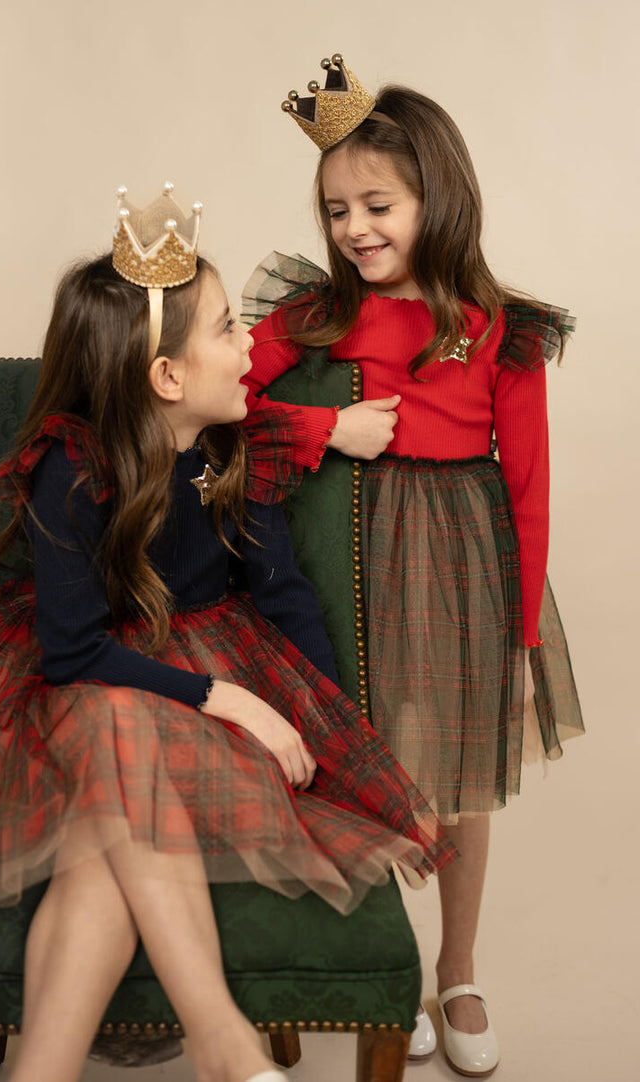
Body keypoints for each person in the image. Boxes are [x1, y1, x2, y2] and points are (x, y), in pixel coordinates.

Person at [0, 184, 455, 1082]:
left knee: (101, 847)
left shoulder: (236, 450)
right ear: (167, 378)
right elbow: (74, 653)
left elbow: (285, 604)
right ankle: (222, 1041)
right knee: (108, 717)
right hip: (82, 682)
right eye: (224, 329)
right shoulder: (73, 468)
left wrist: (339, 740)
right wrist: (233, 698)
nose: (251, 343)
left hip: (202, 686)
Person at [242, 56, 585, 1077]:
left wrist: (522, 632)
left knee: (458, 784)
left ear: (435, 197)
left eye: (376, 203)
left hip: (459, 559)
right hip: (344, 549)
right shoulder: (312, 311)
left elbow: (526, 486)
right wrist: (324, 423)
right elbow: (224, 402)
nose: (354, 228)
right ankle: (383, 967)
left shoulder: (494, 327)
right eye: (336, 208)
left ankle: (458, 965)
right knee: (372, 774)